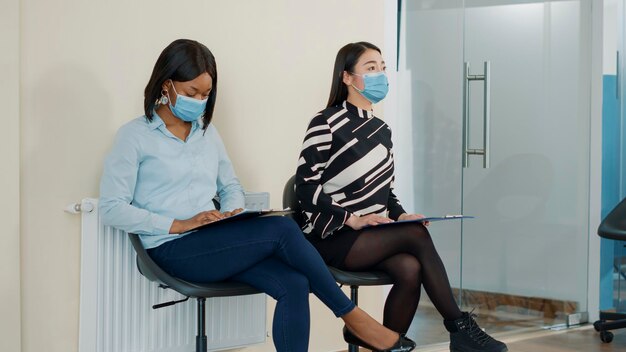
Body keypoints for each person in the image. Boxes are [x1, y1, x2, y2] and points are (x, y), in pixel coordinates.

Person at [99, 39, 416, 352]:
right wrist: (178, 224)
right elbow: (111, 209)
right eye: (191, 92)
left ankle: (354, 322)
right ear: (166, 86)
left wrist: (231, 211)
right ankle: (353, 317)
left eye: (206, 94)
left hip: (213, 241)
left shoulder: (207, 133)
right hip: (170, 249)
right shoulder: (134, 136)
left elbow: (230, 187)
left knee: (295, 283)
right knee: (281, 229)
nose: (199, 101)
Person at [295, 41, 508, 352]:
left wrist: (401, 214)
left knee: (410, 267)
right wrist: (352, 219)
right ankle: (459, 327)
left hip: (369, 236)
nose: (381, 74)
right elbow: (305, 188)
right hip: (332, 235)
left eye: (382, 67)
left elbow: (386, 192)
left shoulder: (382, 130)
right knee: (415, 236)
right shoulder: (325, 122)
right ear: (347, 77)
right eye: (371, 68)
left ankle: (378, 339)